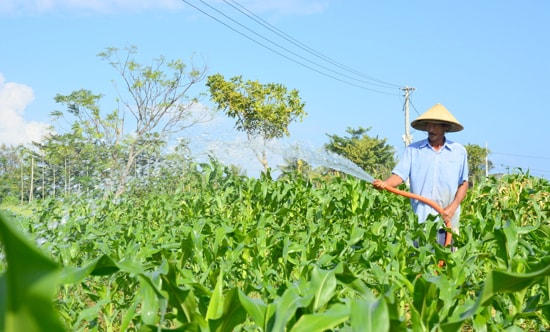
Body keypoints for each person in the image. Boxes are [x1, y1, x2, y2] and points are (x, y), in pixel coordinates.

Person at [373, 103, 469, 246]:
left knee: (446, 264)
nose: (430, 129)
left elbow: (464, 183)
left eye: (435, 126)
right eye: (428, 126)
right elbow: (399, 176)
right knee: (421, 263)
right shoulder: (413, 150)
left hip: (447, 221)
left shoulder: (458, 151)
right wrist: (386, 184)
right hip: (422, 222)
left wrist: (452, 207)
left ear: (446, 128)